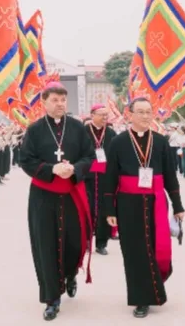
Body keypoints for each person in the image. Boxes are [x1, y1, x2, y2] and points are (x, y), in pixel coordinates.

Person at [18, 82, 95, 321]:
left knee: (74, 241)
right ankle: (52, 298)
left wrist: (74, 168)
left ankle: (71, 274)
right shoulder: (34, 130)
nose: (60, 104)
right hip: (44, 196)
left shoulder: (78, 127)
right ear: (44, 102)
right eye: (55, 100)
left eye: (63, 100)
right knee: (46, 245)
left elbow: (89, 156)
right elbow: (26, 160)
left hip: (72, 193)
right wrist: (52, 169)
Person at [103, 97, 185, 319]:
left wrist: (178, 205)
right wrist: (109, 210)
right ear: (130, 114)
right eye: (140, 112)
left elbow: (170, 175)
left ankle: (153, 290)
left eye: (149, 112)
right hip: (128, 203)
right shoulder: (118, 142)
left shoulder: (160, 141)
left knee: (155, 247)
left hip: (156, 201)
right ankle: (141, 299)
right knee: (134, 251)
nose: (146, 116)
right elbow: (110, 177)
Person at [84, 104, 116, 256]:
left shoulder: (111, 133)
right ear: (92, 115)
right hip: (87, 176)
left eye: (106, 115)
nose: (105, 117)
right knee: (87, 209)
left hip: (105, 176)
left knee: (105, 210)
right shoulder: (83, 132)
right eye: (101, 114)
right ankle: (86, 240)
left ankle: (101, 243)